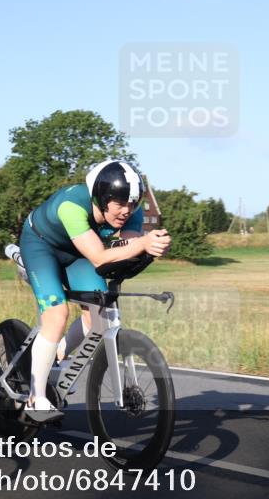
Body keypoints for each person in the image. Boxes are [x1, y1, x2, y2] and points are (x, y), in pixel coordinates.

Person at [19, 160, 171, 422]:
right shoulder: (72, 207)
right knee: (57, 314)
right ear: (101, 197)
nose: (127, 210)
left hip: (78, 252)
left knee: (98, 315)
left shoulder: (130, 209)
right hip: (41, 246)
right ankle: (36, 398)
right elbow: (100, 257)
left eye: (132, 204)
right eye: (120, 203)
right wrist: (142, 243)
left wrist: (151, 246)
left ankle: (57, 352)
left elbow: (128, 246)